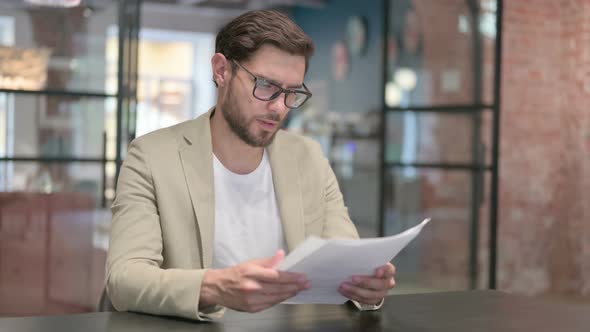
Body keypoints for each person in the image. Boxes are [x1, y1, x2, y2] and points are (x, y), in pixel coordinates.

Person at [105, 10, 396, 321]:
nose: (279, 107)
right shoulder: (151, 157)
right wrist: (216, 287)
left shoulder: (307, 156)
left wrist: (366, 287)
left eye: (292, 93)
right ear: (221, 70)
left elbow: (346, 258)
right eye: (266, 85)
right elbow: (124, 279)